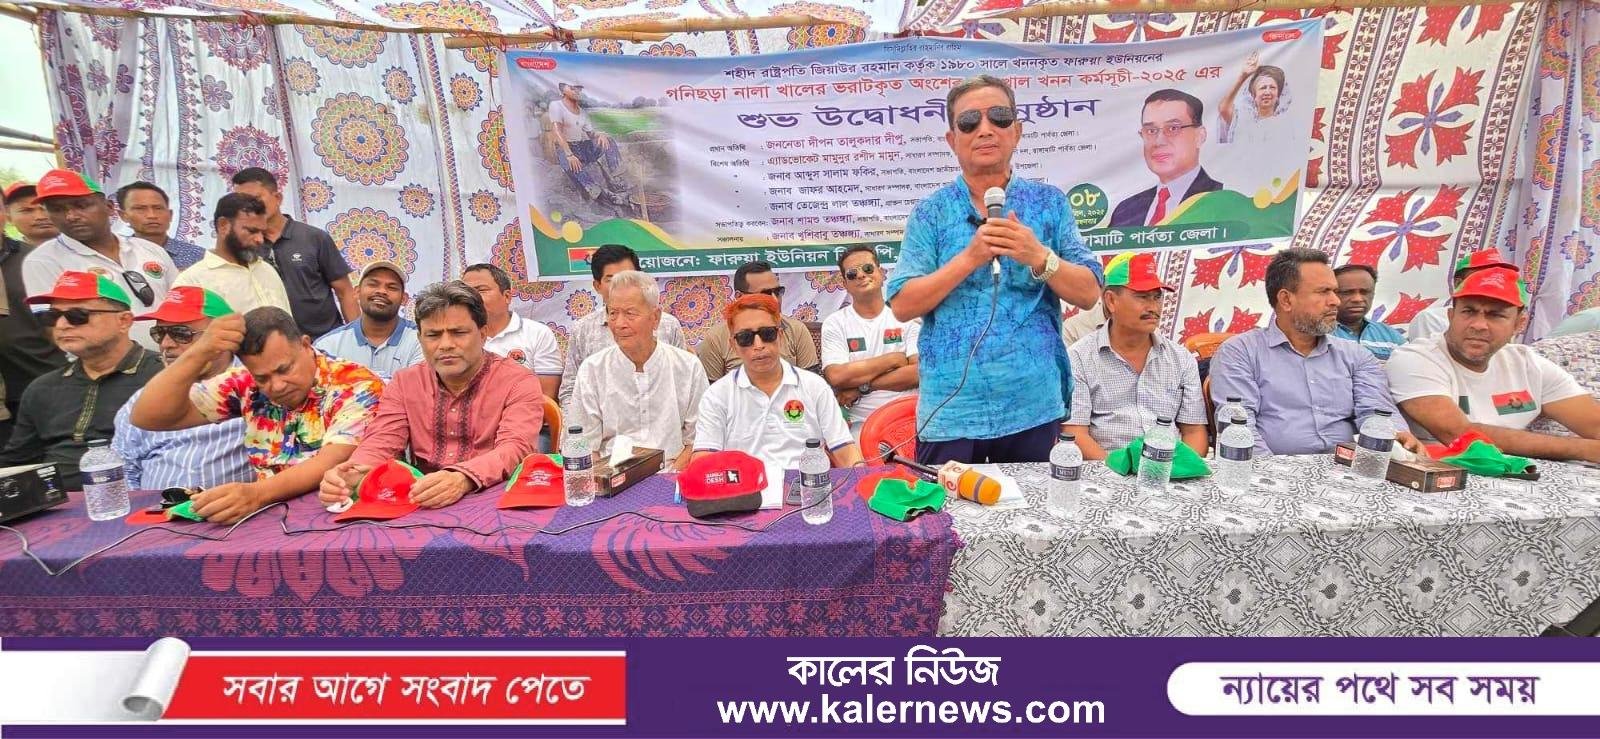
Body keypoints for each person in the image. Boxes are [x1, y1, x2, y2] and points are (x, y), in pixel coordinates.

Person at [886, 75, 1102, 465]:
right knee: (949, 506)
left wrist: (1039, 256)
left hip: (1032, 404)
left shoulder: (1049, 203)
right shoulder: (931, 213)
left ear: (1017, 131)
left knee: (1033, 505)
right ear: (952, 140)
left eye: (998, 117)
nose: (985, 129)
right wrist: (969, 258)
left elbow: (1088, 293)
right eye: (969, 122)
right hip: (953, 411)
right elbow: (902, 304)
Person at [129, 307, 383, 523]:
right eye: (262, 378)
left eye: (284, 369)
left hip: (336, 514)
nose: (277, 385)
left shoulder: (355, 383)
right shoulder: (244, 383)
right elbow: (147, 416)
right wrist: (199, 354)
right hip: (266, 519)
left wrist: (256, 494)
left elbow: (331, 460)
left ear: (306, 345)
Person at [319, 281, 545, 509]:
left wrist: (463, 477)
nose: (445, 345)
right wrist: (353, 471)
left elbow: (515, 447)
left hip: (494, 499)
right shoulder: (405, 383)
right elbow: (381, 441)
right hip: (421, 498)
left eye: (458, 333)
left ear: (483, 334)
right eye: (433, 335)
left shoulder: (518, 381)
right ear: (420, 339)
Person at [1210, 248, 1422, 456]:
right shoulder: (1240, 352)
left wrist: (1396, 434)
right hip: (1272, 469)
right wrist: (1274, 473)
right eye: (1323, 292)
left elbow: (1376, 410)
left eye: (1335, 291)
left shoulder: (1356, 356)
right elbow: (1239, 427)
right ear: (1286, 300)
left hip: (1349, 468)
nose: (1335, 301)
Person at [1386, 268, 1600, 462]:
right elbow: (1459, 435)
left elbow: (1594, 424)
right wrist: (1585, 449)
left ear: (1519, 324)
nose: (1479, 325)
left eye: (1495, 315)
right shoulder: (1415, 358)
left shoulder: (1530, 365)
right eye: (1468, 311)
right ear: (1451, 316)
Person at [0, 272, 161, 489]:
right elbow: (17, 462)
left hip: (139, 495)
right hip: (56, 502)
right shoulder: (43, 387)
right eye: (52, 316)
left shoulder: (164, 376)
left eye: (78, 315)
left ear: (124, 321)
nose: (62, 324)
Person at [693, 294, 863, 469]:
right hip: (744, 484)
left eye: (767, 334)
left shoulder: (815, 387)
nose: (758, 345)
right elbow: (703, 461)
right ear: (733, 345)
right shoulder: (717, 395)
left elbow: (844, 449)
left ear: (780, 336)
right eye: (745, 338)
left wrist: (861, 478)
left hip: (806, 482)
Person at [1065, 253, 1207, 459]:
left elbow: (1194, 432)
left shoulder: (1181, 359)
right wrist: (1117, 470)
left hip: (1170, 468)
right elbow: (1075, 434)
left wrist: (1177, 468)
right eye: (1142, 296)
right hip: (1106, 468)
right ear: (1111, 301)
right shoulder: (1079, 357)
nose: (1153, 307)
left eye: (1157, 297)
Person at [112, 287, 253, 490]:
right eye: (159, 333)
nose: (166, 344)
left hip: (238, 506)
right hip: (155, 508)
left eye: (180, 333)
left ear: (227, 336)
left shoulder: (255, 385)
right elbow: (124, 471)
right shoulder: (143, 401)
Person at [21, 169, 175, 349]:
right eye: (57, 209)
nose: (71, 216)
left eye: (81, 205)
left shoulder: (150, 250)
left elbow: (178, 303)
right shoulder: (44, 261)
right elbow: (53, 326)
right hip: (106, 364)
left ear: (109, 207)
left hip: (171, 358)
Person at [569, 270, 707, 470]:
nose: (619, 324)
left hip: (673, 472)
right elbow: (585, 445)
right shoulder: (592, 370)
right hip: (611, 474)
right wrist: (608, 478)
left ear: (655, 318)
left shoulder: (688, 367)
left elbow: (699, 441)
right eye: (613, 313)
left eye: (630, 314)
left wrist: (671, 476)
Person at [230, 167, 355, 339]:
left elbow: (345, 292)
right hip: (272, 345)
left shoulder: (314, 238)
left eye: (255, 199)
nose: (249, 207)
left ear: (277, 198)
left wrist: (357, 339)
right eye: (241, 201)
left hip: (324, 341)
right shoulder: (242, 247)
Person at [559, 243, 686, 408]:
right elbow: (570, 391)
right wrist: (576, 423)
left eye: (628, 278)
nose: (621, 286)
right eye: (611, 280)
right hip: (603, 421)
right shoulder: (582, 330)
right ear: (597, 286)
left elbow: (683, 383)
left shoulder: (668, 325)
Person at [820, 244, 921, 436]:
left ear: (881, 274)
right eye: (852, 274)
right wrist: (893, 359)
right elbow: (837, 376)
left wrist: (863, 387)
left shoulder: (906, 316)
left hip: (909, 419)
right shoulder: (835, 323)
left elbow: (918, 373)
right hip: (862, 424)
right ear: (845, 284)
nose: (860, 275)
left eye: (867, 268)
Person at [0, 187, 66, 447]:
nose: (39, 216)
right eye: (27, 210)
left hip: (45, 380)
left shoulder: (37, 260)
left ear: (3, 213)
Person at [1109, 89, 1224, 228]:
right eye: (1151, 131)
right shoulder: (1125, 211)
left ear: (1200, 136)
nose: (1159, 141)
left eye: (1172, 128)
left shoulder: (1221, 199)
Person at [698, 260, 821, 382]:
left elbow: (811, 385)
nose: (775, 300)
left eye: (777, 292)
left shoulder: (797, 330)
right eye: (765, 294)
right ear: (739, 297)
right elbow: (711, 390)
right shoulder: (716, 339)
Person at [173, 192, 291, 315]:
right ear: (223, 226)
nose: (260, 239)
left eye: (262, 232)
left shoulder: (267, 270)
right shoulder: (192, 281)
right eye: (252, 231)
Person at [461, 263, 563, 399]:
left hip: (525, 410)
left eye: (481, 290)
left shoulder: (537, 333)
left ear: (507, 296)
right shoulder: (456, 337)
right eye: (466, 292)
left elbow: (546, 396)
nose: (472, 297)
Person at [313, 260, 422, 380]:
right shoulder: (327, 346)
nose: (381, 291)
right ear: (357, 292)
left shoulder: (420, 340)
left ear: (404, 299)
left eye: (392, 287)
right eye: (373, 284)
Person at [1406, 248, 1516, 343]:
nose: (1492, 283)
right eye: (1481, 278)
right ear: (1458, 283)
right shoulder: (1431, 319)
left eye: (1498, 277)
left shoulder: (1504, 320)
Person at [549, 82, 630, 210]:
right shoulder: (556, 105)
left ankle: (617, 180)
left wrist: (599, 135)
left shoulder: (582, 112)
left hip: (581, 147)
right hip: (565, 148)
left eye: (579, 89)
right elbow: (557, 131)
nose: (577, 91)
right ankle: (602, 194)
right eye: (572, 88)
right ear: (563, 91)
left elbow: (590, 133)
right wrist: (569, 154)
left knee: (608, 140)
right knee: (575, 167)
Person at [115, 181, 204, 270]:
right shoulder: (116, 254)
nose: (151, 215)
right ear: (123, 216)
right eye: (140, 209)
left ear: (170, 215)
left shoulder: (198, 256)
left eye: (158, 208)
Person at [1332, 263, 1404, 360]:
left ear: (1373, 294)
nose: (1357, 299)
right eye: (1347, 292)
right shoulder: (1318, 334)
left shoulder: (1390, 335)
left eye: (1364, 292)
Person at [1217, 52, 1293, 145]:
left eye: (1272, 87)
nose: (1267, 92)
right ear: (1254, 96)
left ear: (1278, 95)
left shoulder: (1286, 125)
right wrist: (1243, 77)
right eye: (1263, 88)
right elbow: (1224, 109)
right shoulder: (1242, 121)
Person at [3, 182, 61, 246]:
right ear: (9, 218)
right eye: (27, 210)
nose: (40, 217)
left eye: (45, 208)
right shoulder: (7, 250)